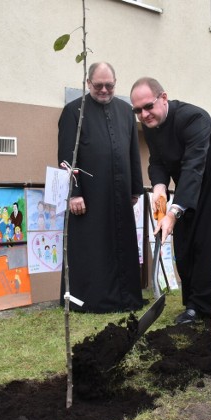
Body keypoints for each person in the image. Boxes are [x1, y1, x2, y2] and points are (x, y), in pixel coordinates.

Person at [131, 77, 211, 324]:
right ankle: (192, 302)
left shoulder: (193, 118)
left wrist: (174, 211)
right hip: (188, 183)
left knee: (208, 241)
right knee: (184, 241)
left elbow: (193, 166)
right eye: (138, 110)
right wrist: (159, 192)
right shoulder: (151, 124)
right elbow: (157, 160)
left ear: (164, 98)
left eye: (148, 106)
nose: (144, 114)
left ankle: (206, 307)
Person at [57, 62, 144, 313]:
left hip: (120, 192)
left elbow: (132, 152)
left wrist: (135, 189)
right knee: (93, 247)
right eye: (98, 85)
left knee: (121, 243)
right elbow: (66, 156)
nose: (104, 90)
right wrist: (74, 192)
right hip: (89, 195)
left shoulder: (126, 111)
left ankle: (125, 298)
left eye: (109, 85)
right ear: (88, 83)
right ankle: (92, 300)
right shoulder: (73, 111)